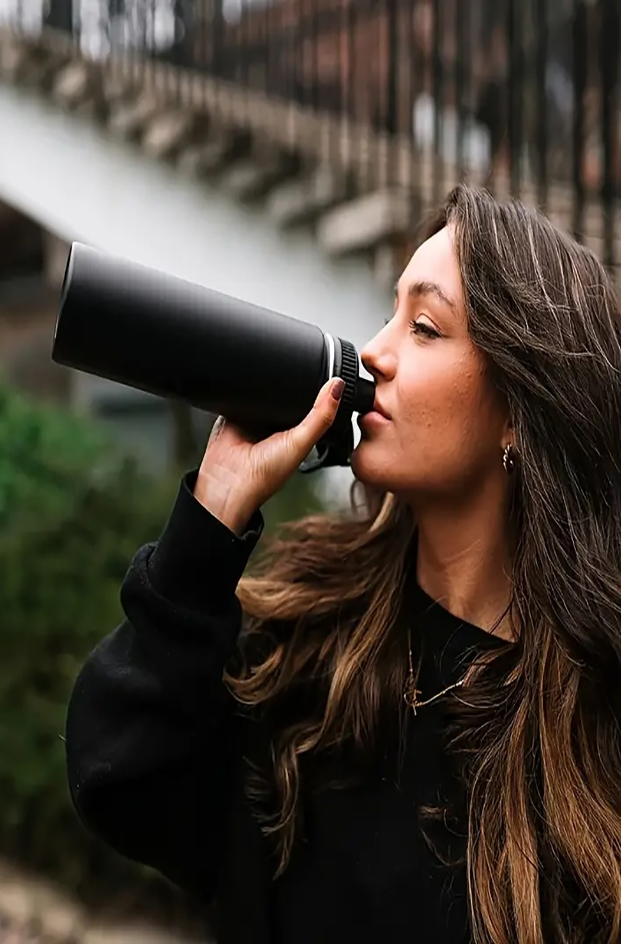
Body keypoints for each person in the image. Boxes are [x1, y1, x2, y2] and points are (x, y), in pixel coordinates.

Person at [64, 185, 621, 944]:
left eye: (424, 327)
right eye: (389, 314)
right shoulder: (304, 645)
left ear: (522, 411)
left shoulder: (588, 734)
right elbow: (118, 780)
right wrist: (209, 521)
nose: (375, 352)